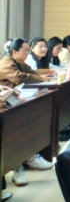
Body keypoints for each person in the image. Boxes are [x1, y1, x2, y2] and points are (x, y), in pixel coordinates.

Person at [0, 39, 54, 186]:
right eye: (25, 50)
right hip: (6, 106)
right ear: (14, 52)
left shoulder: (19, 62)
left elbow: (31, 72)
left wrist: (47, 72)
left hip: (13, 102)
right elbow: (18, 77)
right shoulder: (6, 62)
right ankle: (19, 167)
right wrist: (40, 78)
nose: (27, 53)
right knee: (15, 133)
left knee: (28, 127)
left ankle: (30, 157)